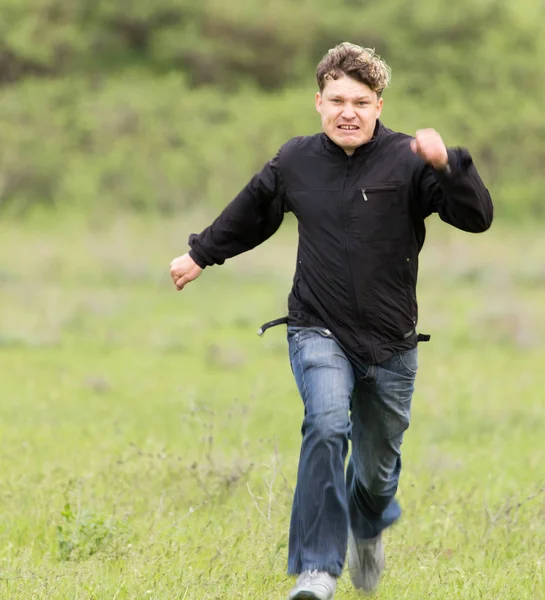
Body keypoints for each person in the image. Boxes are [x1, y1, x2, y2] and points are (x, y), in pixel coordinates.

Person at [169, 42, 493, 600]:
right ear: (318, 102)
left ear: (379, 105)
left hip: (392, 343)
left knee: (375, 473)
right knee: (325, 425)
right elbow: (252, 210)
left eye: (361, 101)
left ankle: (367, 531)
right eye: (337, 99)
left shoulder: (408, 160)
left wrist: (449, 164)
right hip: (317, 328)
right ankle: (317, 571)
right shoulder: (295, 159)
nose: (348, 111)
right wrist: (201, 254)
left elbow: (477, 217)